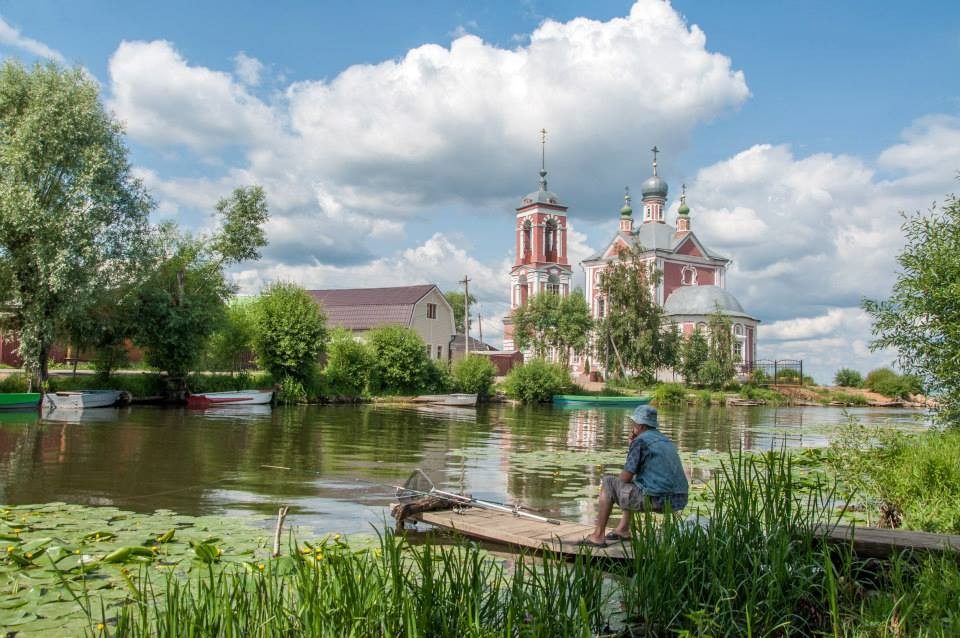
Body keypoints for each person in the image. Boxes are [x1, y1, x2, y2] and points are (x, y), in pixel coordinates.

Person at [580, 405, 688, 547]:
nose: (632, 426)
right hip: (678, 499)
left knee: (608, 482)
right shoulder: (666, 441)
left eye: (634, 423)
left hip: (657, 499)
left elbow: (625, 477)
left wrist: (632, 445)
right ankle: (623, 529)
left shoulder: (640, 441)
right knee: (635, 483)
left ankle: (598, 536)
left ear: (641, 426)